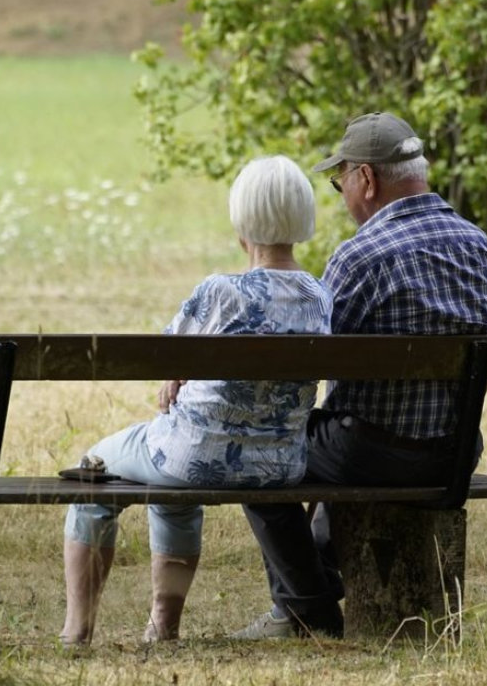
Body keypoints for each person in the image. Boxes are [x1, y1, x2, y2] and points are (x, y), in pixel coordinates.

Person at [232, 112, 487, 639]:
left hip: (372, 454)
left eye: (340, 184)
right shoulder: (481, 247)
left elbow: (311, 362)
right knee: (339, 433)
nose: (343, 196)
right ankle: (311, 588)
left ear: (366, 179)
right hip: (455, 454)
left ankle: (306, 610)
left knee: (256, 450)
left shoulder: (359, 257)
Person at [60, 155, 333, 646]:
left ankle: (77, 630)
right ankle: (162, 627)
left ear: (241, 221)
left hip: (194, 457)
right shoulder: (320, 296)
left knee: (93, 469)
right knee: (170, 481)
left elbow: (163, 356)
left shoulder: (220, 292)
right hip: (279, 466)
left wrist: (176, 374)